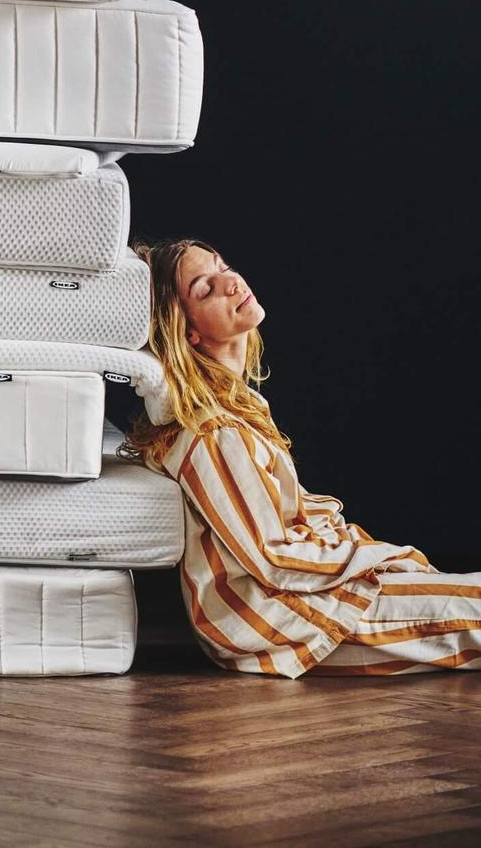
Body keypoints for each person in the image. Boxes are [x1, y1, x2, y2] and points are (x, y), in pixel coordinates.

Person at [121, 239, 480, 677]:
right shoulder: (215, 433)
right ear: (187, 331)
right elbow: (273, 558)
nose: (231, 282)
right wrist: (380, 558)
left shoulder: (238, 408)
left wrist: (375, 558)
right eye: (205, 288)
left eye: (224, 267)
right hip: (279, 618)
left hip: (298, 597)